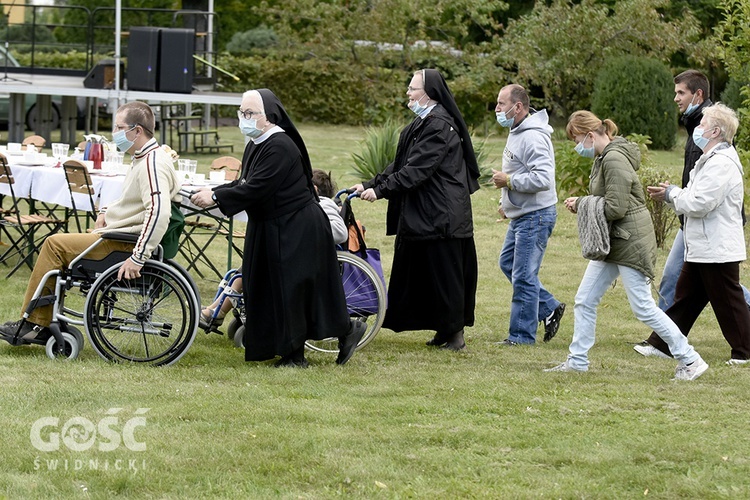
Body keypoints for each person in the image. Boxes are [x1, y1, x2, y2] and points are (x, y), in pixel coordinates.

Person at [190, 89, 365, 367]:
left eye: (250, 114)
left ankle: (296, 356)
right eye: (241, 113)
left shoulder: (280, 145)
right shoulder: (257, 143)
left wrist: (215, 197)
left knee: (290, 292)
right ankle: (338, 333)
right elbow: (246, 183)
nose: (243, 119)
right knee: (274, 290)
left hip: (295, 227)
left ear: (269, 117)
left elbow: (259, 187)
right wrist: (215, 190)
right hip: (274, 226)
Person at [544, 111, 708, 380]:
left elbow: (616, 207)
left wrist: (582, 204)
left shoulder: (614, 159)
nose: (576, 146)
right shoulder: (603, 157)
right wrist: (585, 203)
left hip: (629, 241)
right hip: (614, 241)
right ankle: (577, 361)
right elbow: (609, 201)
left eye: (576, 139)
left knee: (643, 307)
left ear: (589, 135)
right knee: (585, 299)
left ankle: (690, 359)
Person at [0, 101, 182, 341]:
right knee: (60, 245)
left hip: (124, 243)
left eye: (119, 128)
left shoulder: (152, 163)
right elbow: (132, 201)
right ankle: (41, 321)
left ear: (137, 130)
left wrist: (138, 257)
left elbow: (158, 211)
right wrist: (106, 210)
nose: (115, 134)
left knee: (54, 244)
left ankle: (36, 323)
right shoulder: (145, 157)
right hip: (119, 234)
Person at [351, 69, 479, 351]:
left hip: (441, 216)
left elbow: (417, 170)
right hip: (427, 214)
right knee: (428, 276)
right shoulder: (423, 123)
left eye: (412, 88)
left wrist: (381, 190)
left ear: (430, 93)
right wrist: (369, 184)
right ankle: (442, 329)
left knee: (445, 278)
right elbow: (400, 165)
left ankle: (455, 335)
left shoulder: (438, 125)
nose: (408, 93)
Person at [635, 70, 750, 358]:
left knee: (729, 299)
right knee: (685, 298)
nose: (700, 127)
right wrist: (674, 193)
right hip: (702, 241)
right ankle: (663, 345)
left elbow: (700, 201)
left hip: (715, 243)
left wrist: (672, 194)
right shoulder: (710, 157)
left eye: (705, 124)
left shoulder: (721, 161)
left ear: (715, 131)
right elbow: (693, 191)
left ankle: (745, 350)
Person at [199, 169, 348, 328]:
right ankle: (214, 310)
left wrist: (302, 229)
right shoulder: (310, 205)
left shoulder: (324, 204)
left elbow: (340, 232)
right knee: (245, 270)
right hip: (297, 255)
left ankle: (216, 312)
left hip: (307, 262)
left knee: (251, 269)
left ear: (314, 189)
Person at [492, 84, 565, 345]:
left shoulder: (533, 136)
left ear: (518, 107)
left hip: (535, 215)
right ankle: (549, 307)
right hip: (523, 213)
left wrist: (509, 182)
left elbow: (543, 178)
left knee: (523, 274)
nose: (497, 109)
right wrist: (508, 202)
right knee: (508, 264)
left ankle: (521, 337)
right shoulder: (517, 131)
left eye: (501, 104)